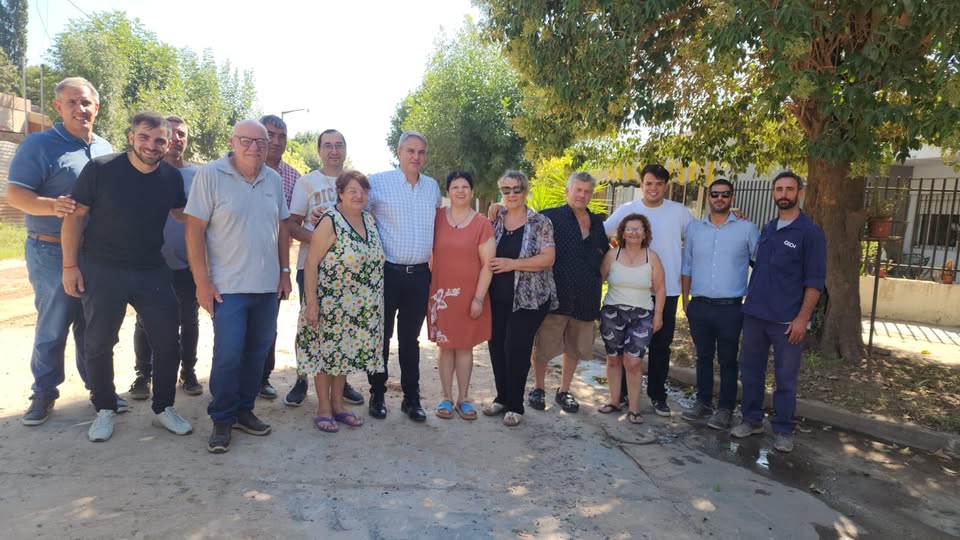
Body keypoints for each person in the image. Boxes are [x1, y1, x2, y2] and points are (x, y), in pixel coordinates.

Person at [61, 112, 191, 442]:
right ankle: (104, 408)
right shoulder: (101, 169)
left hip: (151, 269)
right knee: (100, 342)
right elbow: (75, 219)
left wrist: (221, 214)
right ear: (131, 137)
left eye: (160, 140)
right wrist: (69, 266)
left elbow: (181, 213)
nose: (152, 145)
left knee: (167, 342)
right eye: (145, 138)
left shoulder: (171, 178)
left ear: (169, 143)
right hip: (103, 268)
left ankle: (163, 409)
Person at [6, 77, 118, 426]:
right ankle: (43, 393)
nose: (79, 109)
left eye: (85, 102)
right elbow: (16, 195)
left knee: (93, 326)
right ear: (58, 107)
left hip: (96, 253)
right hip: (50, 251)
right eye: (71, 103)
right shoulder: (39, 145)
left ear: (96, 106)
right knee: (54, 324)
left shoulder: (106, 148)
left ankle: (98, 391)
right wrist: (52, 205)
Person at [185, 119, 292, 454]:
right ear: (233, 141)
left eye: (260, 142)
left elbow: (283, 227)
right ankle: (222, 417)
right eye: (246, 140)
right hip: (227, 287)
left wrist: (285, 270)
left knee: (257, 353)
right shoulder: (211, 175)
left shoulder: (273, 179)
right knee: (229, 354)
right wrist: (202, 281)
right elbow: (194, 230)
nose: (254, 147)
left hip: (266, 287)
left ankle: (245, 410)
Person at [731, 171, 826, 453]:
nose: (783, 194)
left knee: (785, 379)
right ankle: (751, 420)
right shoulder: (769, 229)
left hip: (787, 321)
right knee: (750, 371)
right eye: (779, 189)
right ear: (773, 193)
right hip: (756, 316)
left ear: (800, 193)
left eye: (789, 189)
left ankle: (783, 429)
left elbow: (815, 281)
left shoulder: (810, 232)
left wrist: (802, 319)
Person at [296, 171, 384, 432]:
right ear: (341, 193)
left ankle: (338, 405)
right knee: (325, 356)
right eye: (353, 190)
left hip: (358, 307)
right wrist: (312, 303)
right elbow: (311, 262)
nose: (359, 196)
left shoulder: (368, 219)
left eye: (364, 191)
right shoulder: (330, 220)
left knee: (343, 355)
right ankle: (324, 408)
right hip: (330, 303)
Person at [283, 129, 364, 407]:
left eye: (339, 145)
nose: (333, 150)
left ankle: (341, 384)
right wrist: (322, 241)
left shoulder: (355, 181)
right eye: (327, 145)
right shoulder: (307, 182)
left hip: (347, 271)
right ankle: (302, 379)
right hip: (313, 265)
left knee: (342, 328)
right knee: (310, 323)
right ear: (319, 151)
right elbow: (292, 225)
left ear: (345, 149)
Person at [604, 164, 693, 416]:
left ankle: (657, 394)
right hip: (630, 293)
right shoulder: (629, 210)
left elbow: (702, 232)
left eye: (659, 183)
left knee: (661, 346)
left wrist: (734, 214)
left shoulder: (679, 212)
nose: (653, 188)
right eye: (648, 183)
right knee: (622, 348)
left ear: (666, 185)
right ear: (641, 185)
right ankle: (619, 395)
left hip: (667, 290)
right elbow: (600, 231)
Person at [366, 131, 441, 422]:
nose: (416, 157)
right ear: (399, 152)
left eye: (421, 152)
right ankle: (377, 393)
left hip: (420, 275)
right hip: (387, 273)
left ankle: (411, 398)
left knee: (410, 339)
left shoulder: (432, 187)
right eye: (410, 151)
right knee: (381, 336)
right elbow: (357, 210)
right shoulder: (379, 182)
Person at [129, 115, 203, 400]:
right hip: (149, 262)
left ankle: (188, 372)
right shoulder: (144, 171)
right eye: (170, 134)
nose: (176, 139)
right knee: (145, 321)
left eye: (182, 134)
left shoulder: (198, 176)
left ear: (186, 139)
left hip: (187, 262)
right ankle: (142, 375)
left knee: (189, 319)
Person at [680, 179, 759, 429]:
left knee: (728, 359)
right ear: (709, 198)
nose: (720, 198)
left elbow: (760, 265)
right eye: (715, 194)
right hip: (699, 305)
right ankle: (703, 401)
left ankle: (725, 408)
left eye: (725, 195)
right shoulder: (694, 228)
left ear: (732, 198)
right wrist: (686, 302)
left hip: (731, 308)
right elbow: (687, 266)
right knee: (702, 356)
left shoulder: (747, 229)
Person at [482, 170, 557, 427]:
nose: (511, 194)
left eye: (517, 189)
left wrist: (512, 263)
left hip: (530, 298)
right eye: (506, 190)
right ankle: (502, 397)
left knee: (515, 348)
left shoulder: (540, 222)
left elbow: (548, 259)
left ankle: (516, 405)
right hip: (497, 297)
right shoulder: (494, 220)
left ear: (525, 191)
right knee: (496, 348)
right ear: (500, 192)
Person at [529, 171, 609, 413]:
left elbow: (603, 255)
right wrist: (498, 207)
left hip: (585, 298)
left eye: (587, 191)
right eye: (578, 190)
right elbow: (522, 223)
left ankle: (564, 390)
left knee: (575, 347)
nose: (582, 195)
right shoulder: (549, 218)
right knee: (543, 346)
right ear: (568, 191)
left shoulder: (597, 223)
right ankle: (538, 388)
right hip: (555, 295)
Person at [427, 171, 495, 421]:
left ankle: (463, 399)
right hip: (441, 295)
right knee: (446, 348)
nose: (460, 191)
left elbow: (488, 264)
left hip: (470, 296)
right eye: (455, 187)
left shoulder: (481, 224)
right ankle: (445, 397)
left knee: (465, 348)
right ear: (448, 192)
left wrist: (478, 298)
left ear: (472, 192)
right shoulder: (436, 219)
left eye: (465, 186)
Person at [598, 214, 664, 424]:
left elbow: (661, 289)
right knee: (613, 359)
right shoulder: (612, 255)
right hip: (612, 313)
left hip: (642, 315)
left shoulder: (651, 257)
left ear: (645, 233)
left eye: (638, 229)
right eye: (630, 229)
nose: (634, 233)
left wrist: (659, 315)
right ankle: (614, 400)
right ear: (622, 233)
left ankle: (634, 408)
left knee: (633, 362)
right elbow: (598, 281)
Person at [258, 114, 301, 400]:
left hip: (275, 265)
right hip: (236, 263)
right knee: (234, 327)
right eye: (270, 135)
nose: (275, 141)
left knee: (267, 325)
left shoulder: (294, 177)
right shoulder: (235, 168)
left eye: (281, 136)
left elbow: (293, 225)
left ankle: (262, 379)